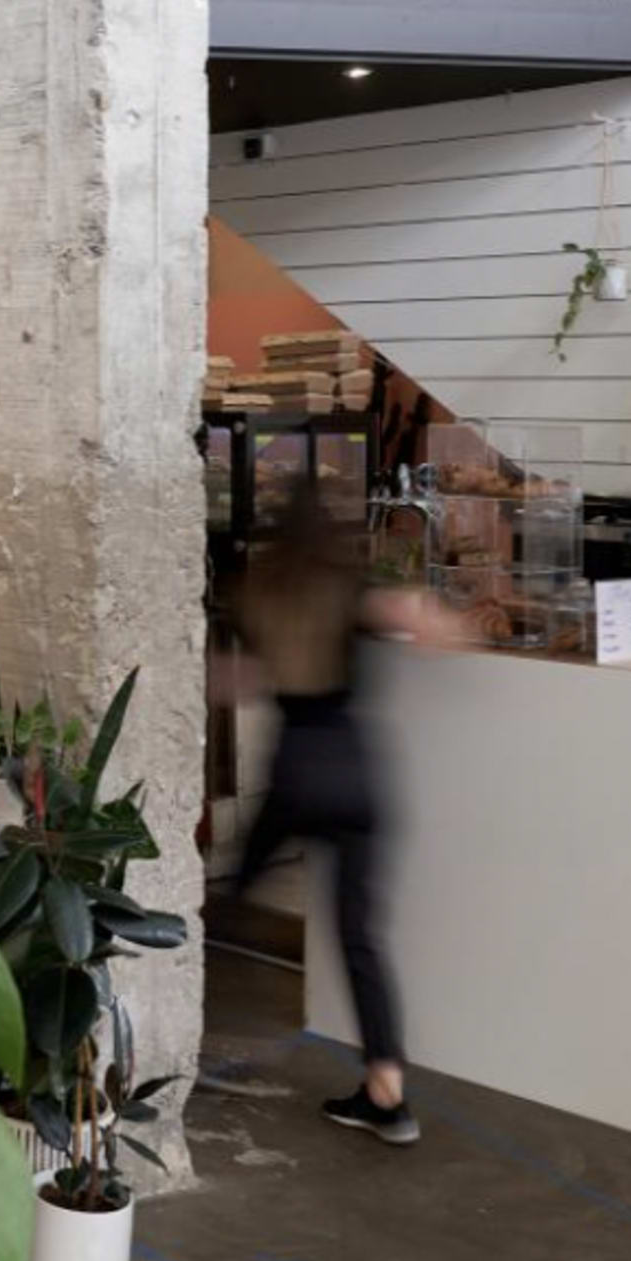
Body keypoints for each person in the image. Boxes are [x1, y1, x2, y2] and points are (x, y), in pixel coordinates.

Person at [224, 479, 415, 1145]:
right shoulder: (351, 588)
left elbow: (238, 678)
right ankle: (387, 1086)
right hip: (357, 771)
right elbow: (412, 618)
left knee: (237, 887)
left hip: (297, 768)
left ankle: (212, 1025)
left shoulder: (257, 593)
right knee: (361, 937)